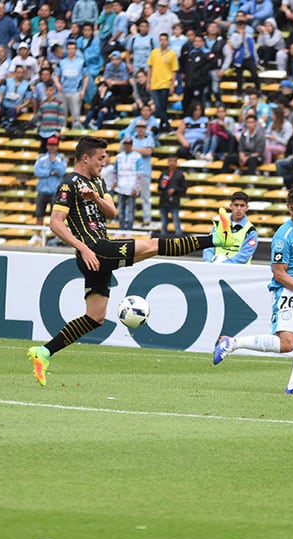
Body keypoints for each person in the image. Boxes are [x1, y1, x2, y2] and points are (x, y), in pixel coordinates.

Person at [27, 137, 233, 386]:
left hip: (98, 252)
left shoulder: (97, 182)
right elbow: (55, 223)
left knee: (95, 317)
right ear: (86, 158)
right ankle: (216, 240)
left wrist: (95, 198)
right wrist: (84, 249)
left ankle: (44, 352)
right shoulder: (68, 184)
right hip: (94, 250)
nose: (105, 162)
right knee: (154, 244)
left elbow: (111, 212)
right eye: (100, 158)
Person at [213, 186, 293, 396]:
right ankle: (232, 342)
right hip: (288, 293)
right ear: (288, 208)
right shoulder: (284, 236)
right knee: (287, 345)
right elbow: (279, 274)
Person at [31, 135, 68, 245]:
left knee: (56, 217)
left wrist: (51, 165)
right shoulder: (41, 157)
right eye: (50, 145)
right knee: (39, 214)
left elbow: (61, 171)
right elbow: (37, 172)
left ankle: (57, 235)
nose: (52, 147)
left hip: (55, 191)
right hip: (42, 190)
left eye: (54, 145)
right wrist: (49, 172)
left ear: (57, 146)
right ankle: (37, 235)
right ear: (47, 146)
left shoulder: (61, 158)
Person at [203, 191, 259, 263]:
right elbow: (209, 247)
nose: (239, 209)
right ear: (231, 206)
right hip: (215, 269)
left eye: (242, 206)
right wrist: (209, 262)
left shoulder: (250, 231)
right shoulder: (219, 225)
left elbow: (245, 255)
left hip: (238, 271)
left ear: (247, 208)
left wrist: (225, 264)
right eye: (236, 205)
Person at [113, 136, 144, 230]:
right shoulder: (119, 157)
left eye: (129, 144)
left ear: (131, 145)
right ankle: (121, 227)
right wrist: (115, 182)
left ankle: (129, 228)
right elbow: (115, 171)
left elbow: (139, 173)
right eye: (125, 144)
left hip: (131, 186)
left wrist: (136, 187)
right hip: (121, 186)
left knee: (131, 209)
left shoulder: (137, 156)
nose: (127, 146)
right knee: (121, 209)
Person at [158, 155, 186, 236]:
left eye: (173, 161)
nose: (171, 163)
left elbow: (184, 189)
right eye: (170, 161)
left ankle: (179, 237)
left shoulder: (180, 175)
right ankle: (162, 238)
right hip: (164, 200)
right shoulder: (164, 173)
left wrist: (175, 190)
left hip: (174, 201)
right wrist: (162, 185)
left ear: (176, 163)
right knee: (164, 223)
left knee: (176, 221)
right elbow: (159, 188)